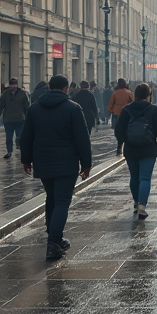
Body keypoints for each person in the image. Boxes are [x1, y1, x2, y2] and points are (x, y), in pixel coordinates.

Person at [20, 75, 92, 258]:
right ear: (66, 88)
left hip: (43, 161)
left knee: (51, 197)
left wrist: (26, 160)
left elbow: (26, 136)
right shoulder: (73, 108)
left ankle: (54, 237)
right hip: (66, 163)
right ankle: (53, 242)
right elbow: (82, 139)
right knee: (62, 201)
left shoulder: (35, 108)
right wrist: (86, 164)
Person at [115, 83, 157, 219]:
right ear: (148, 95)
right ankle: (142, 207)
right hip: (148, 149)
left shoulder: (126, 110)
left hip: (131, 149)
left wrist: (127, 138)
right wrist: (150, 134)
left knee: (134, 176)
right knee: (145, 177)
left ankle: (136, 201)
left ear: (135, 94)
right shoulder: (153, 109)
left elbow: (118, 131)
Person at [0, 77, 30, 160]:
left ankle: (21, 148)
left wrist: (28, 116)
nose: (12, 87)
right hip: (8, 119)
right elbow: (1, 104)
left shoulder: (23, 94)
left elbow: (27, 106)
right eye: (11, 85)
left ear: (17, 85)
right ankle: (9, 151)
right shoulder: (5, 94)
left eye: (14, 85)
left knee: (20, 136)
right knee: (9, 137)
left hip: (20, 118)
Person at [108, 78, 135, 154]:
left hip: (117, 112)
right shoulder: (129, 92)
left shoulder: (115, 93)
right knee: (127, 128)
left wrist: (112, 111)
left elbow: (110, 104)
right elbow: (133, 102)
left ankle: (119, 146)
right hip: (127, 112)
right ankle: (127, 144)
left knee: (119, 129)